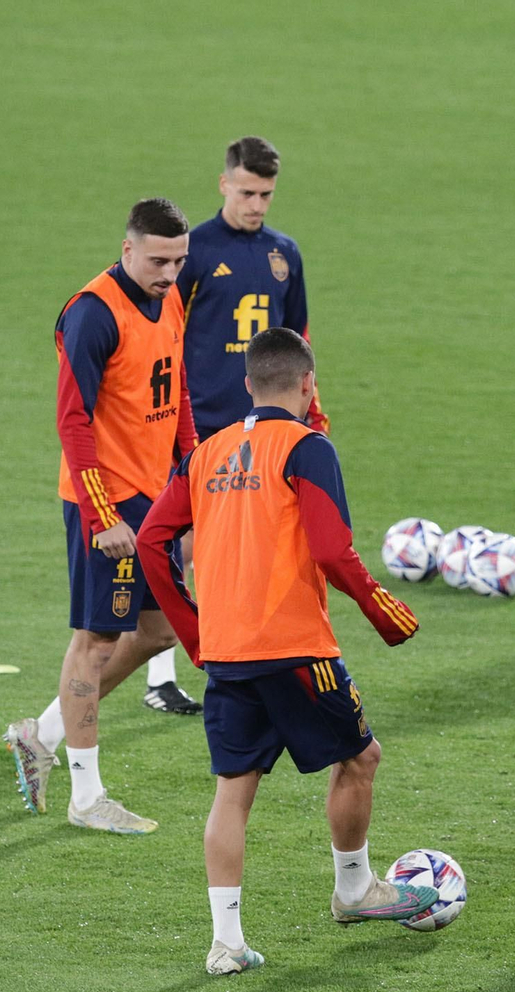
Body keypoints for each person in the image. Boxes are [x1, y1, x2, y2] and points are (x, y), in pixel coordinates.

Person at [136, 327, 434, 975]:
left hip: (229, 654)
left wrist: (193, 634)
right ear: (308, 384)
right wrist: (384, 612)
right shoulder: (308, 448)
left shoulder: (207, 451)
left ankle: (226, 944)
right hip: (298, 650)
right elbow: (331, 550)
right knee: (360, 758)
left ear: (246, 385)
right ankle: (354, 889)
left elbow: (152, 542)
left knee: (233, 793)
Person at [2, 198, 196, 833]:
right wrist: (102, 513)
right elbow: (72, 418)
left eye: (179, 260)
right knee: (96, 641)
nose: (169, 273)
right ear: (127, 249)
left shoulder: (169, 297)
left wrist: (193, 472)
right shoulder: (92, 314)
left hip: (155, 494)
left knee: (162, 629)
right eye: (158, 260)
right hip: (107, 501)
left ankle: (41, 733)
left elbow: (176, 386)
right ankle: (86, 797)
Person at [138, 136, 328, 715]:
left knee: (240, 544)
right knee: (185, 543)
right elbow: (165, 334)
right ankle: (163, 670)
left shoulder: (284, 254)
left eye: (266, 194)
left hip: (263, 428)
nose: (257, 205)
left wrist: (311, 412)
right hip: (200, 426)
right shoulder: (192, 252)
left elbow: (297, 343)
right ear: (224, 184)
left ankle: (229, 654)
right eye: (247, 192)